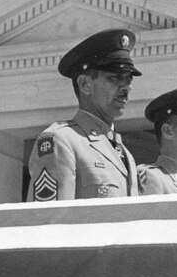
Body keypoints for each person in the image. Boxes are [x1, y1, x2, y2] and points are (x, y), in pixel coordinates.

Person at [26, 28, 142, 201]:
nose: (127, 88)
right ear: (85, 84)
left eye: (128, 80)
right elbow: (50, 222)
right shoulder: (61, 141)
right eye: (115, 78)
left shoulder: (124, 153)